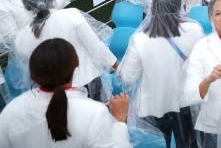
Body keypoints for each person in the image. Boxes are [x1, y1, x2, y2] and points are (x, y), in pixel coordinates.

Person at [117, 0, 205, 148]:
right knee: (187, 143)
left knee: (157, 144)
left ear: (154, 6)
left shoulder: (140, 38)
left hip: (152, 105)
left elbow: (129, 77)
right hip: (184, 103)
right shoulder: (194, 30)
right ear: (178, 4)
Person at [0, 38, 130, 147]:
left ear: (32, 74)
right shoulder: (95, 113)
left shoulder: (11, 110)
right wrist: (119, 121)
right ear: (76, 66)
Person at [15, 0, 118, 101]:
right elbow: (95, 46)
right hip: (86, 79)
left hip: (52, 91)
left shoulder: (20, 38)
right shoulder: (71, 15)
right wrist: (116, 65)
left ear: (27, 7)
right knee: (95, 115)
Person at [182, 0, 221, 148]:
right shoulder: (201, 47)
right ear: (211, 19)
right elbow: (189, 94)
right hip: (215, 126)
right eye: (218, 13)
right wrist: (209, 79)